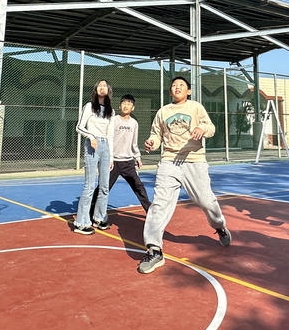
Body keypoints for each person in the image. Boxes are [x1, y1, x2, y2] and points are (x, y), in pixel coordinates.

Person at [137, 76, 231, 274]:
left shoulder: (196, 107)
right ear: (170, 91)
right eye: (174, 85)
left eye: (181, 85)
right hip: (169, 161)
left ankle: (220, 226)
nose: (177, 87)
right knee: (159, 204)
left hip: (193, 161)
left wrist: (202, 128)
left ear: (188, 91)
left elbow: (211, 128)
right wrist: (152, 142)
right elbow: (156, 134)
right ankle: (154, 249)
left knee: (206, 201)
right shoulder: (163, 111)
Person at [90, 94, 152, 221]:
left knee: (139, 187)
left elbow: (134, 143)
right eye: (124, 103)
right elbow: (107, 139)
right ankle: (90, 212)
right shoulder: (113, 120)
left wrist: (137, 157)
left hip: (128, 163)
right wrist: (108, 157)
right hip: (113, 162)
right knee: (103, 188)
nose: (126, 106)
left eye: (129, 104)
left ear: (133, 108)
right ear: (119, 106)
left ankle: (151, 213)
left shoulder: (134, 123)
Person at [72, 79, 115, 235]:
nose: (102, 87)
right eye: (100, 85)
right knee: (89, 185)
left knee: (104, 186)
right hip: (92, 145)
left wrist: (111, 156)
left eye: (105, 86)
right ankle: (81, 223)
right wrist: (91, 137)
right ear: (96, 89)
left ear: (108, 90)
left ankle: (99, 218)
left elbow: (111, 135)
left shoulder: (111, 111)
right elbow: (79, 127)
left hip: (105, 147)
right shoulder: (89, 106)